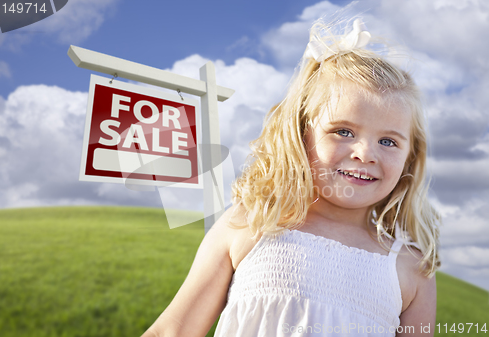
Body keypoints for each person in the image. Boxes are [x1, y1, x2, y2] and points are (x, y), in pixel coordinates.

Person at [141, 17, 440, 337]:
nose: (365, 153)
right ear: (301, 134)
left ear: (411, 154)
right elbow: (173, 330)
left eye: (388, 141)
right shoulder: (251, 223)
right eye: (343, 131)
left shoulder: (411, 268)